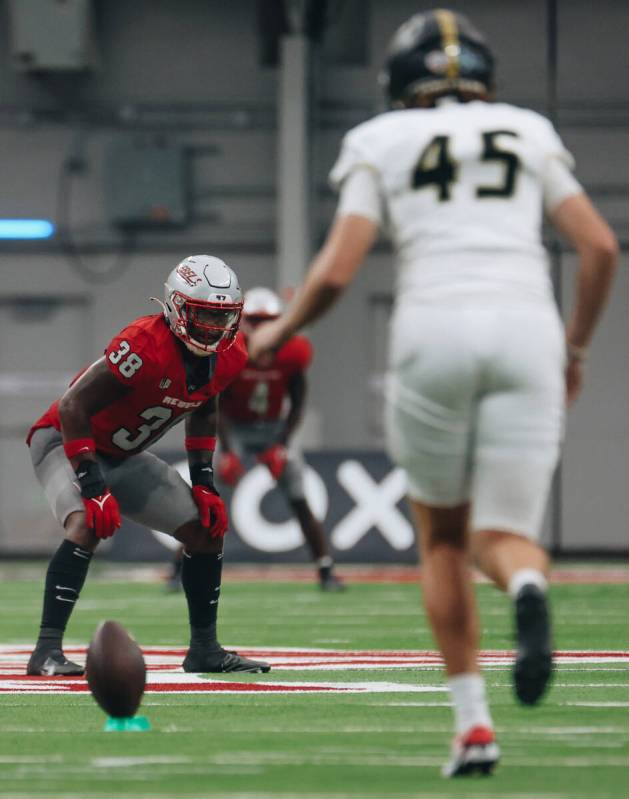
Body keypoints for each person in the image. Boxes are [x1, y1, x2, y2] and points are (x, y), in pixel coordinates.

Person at [249, 9, 617, 777]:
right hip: (528, 331)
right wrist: (574, 349)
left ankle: (474, 727)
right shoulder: (526, 129)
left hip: (432, 331)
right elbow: (597, 247)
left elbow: (339, 269)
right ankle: (523, 583)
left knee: (444, 540)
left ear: (397, 82)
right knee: (503, 532)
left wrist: (277, 331)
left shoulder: (378, 140)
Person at [25, 255, 271, 676]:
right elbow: (72, 407)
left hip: (124, 454)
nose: (213, 329)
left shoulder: (231, 354)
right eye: (203, 316)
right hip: (65, 441)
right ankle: (46, 650)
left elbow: (204, 406)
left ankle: (205, 650)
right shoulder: (143, 344)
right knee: (86, 522)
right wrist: (92, 484)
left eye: (221, 317)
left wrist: (205, 482)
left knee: (204, 531)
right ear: (175, 308)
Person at [169, 287, 345, 592]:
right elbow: (215, 402)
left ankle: (326, 568)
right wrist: (226, 450)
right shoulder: (228, 349)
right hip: (233, 427)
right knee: (208, 497)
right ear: (241, 321)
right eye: (255, 319)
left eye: (268, 320)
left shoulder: (293, 351)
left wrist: (282, 444)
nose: (261, 327)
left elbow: (298, 400)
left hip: (273, 428)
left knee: (299, 497)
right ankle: (177, 568)